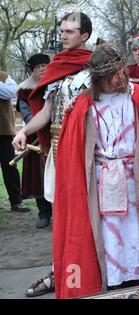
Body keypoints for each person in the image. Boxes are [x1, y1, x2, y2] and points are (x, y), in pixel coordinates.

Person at [52, 45, 139, 298]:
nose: (119, 79)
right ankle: (111, 283)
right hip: (99, 184)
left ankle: (138, 280)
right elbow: (71, 152)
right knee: (106, 237)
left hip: (135, 182)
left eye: (121, 72)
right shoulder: (82, 104)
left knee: (134, 233)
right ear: (98, 77)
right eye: (112, 75)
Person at [12, 11, 93, 298]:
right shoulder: (56, 68)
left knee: (87, 216)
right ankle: (63, 270)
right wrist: (24, 132)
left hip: (88, 155)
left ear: (84, 35)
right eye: (61, 31)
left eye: (70, 31)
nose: (63, 35)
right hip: (59, 153)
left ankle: (89, 273)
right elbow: (46, 112)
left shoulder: (96, 69)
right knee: (61, 215)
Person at [16, 53, 53, 228]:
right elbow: (28, 115)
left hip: (57, 134)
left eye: (45, 66)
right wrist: (40, 126)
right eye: (39, 67)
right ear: (33, 70)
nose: (42, 70)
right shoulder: (24, 90)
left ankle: (60, 212)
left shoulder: (54, 85)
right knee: (39, 175)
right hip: (34, 137)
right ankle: (44, 213)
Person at [0, 71, 30, 213]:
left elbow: (11, 93)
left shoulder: (4, 76)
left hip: (4, 130)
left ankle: (16, 202)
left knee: (10, 166)